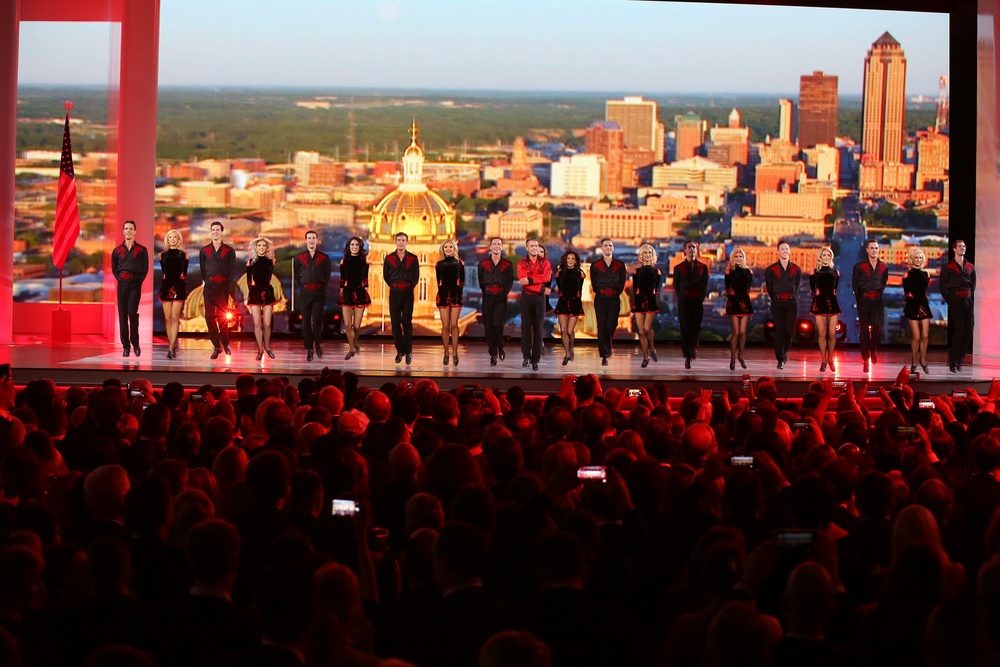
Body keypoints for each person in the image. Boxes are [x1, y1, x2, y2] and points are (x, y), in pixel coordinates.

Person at [199, 221, 237, 360]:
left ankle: (225, 342)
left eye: (217, 229)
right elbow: (202, 269)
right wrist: (207, 281)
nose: (215, 232)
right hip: (209, 287)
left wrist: (226, 283)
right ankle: (216, 345)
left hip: (222, 287)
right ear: (211, 232)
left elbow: (232, 270)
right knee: (209, 317)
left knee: (223, 317)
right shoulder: (204, 250)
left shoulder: (229, 250)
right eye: (213, 229)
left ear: (222, 231)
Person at [293, 230, 332, 363]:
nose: (311, 240)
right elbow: (297, 276)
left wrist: (321, 287)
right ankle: (309, 348)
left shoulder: (324, 258)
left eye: (313, 238)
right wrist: (304, 286)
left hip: (319, 292)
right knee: (305, 322)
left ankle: (318, 344)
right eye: (309, 238)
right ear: (305, 240)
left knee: (316, 320)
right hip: (305, 293)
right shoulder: (298, 258)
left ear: (317, 240)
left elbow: (327, 276)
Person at [112, 220, 148, 358]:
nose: (128, 230)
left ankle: (136, 343)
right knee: (122, 316)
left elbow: (145, 268)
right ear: (123, 231)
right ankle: (125, 346)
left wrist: (138, 282)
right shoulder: (117, 251)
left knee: (132, 314)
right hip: (122, 285)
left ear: (135, 231)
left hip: (135, 285)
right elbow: (115, 269)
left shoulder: (142, 250)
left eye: (130, 228)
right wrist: (121, 279)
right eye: (126, 228)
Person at [764, 240, 802, 370]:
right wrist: (776, 299)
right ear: (778, 252)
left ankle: (784, 351)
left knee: (789, 331)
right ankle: (780, 359)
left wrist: (791, 297)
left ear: (790, 251)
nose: (785, 251)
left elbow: (797, 286)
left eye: (787, 249)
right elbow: (769, 288)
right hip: (777, 303)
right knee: (779, 331)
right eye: (782, 249)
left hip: (791, 303)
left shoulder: (797, 269)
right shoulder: (771, 269)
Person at [852, 238, 889, 373]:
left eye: (876, 248)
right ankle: (865, 358)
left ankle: (873, 349)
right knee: (863, 329)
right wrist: (860, 298)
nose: (874, 250)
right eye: (872, 248)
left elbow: (884, 283)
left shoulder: (884, 267)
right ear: (867, 250)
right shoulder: (859, 266)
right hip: (863, 300)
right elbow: (855, 284)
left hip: (877, 301)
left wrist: (877, 294)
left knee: (875, 327)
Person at [940, 238, 976, 373]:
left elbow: (973, 285)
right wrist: (950, 300)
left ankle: (960, 355)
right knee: (960, 329)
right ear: (954, 249)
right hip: (955, 301)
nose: (963, 248)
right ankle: (953, 361)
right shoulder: (948, 267)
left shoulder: (970, 267)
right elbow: (943, 286)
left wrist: (968, 296)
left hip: (967, 301)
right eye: (960, 246)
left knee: (969, 329)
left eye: (964, 246)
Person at [383, 231, 419, 365]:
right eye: (399, 240)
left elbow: (416, 276)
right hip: (394, 293)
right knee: (395, 323)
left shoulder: (413, 259)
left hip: (408, 293)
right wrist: (394, 286)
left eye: (403, 240)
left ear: (406, 242)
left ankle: (409, 352)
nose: (401, 242)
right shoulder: (389, 258)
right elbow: (386, 276)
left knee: (407, 323)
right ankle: (400, 351)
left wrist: (409, 287)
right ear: (395, 242)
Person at [590, 238, 627, 366]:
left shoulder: (620, 265)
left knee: (611, 325)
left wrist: (614, 292)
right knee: (602, 326)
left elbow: (622, 283)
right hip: (600, 299)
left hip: (614, 299)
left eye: (610, 245)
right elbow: (594, 284)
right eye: (605, 245)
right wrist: (602, 292)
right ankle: (604, 355)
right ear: (601, 248)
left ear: (613, 248)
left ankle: (607, 346)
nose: (608, 247)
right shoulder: (595, 265)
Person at [673, 239, 709, 369]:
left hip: (697, 300)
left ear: (697, 249)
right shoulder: (678, 268)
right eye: (689, 247)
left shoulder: (703, 268)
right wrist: (682, 297)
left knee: (695, 326)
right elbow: (676, 286)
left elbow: (704, 285)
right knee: (685, 326)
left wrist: (700, 298)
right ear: (685, 250)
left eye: (694, 247)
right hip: (684, 300)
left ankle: (693, 347)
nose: (692, 249)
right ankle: (687, 354)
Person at [478, 237, 513, 367]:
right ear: (490, 247)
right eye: (494, 244)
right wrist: (488, 292)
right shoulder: (482, 264)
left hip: (501, 298)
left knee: (498, 324)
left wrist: (503, 293)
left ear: (502, 247)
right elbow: (481, 282)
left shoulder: (508, 264)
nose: (497, 246)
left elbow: (509, 282)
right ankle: (493, 354)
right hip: (487, 297)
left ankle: (501, 346)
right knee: (488, 326)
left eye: (499, 244)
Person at [518, 238, 552, 371]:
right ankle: (526, 357)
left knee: (538, 329)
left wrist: (530, 280)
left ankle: (536, 359)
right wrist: (542, 288)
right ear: (526, 248)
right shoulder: (521, 263)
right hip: (527, 298)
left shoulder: (545, 262)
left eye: (536, 246)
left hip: (539, 300)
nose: (534, 248)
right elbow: (523, 282)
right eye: (531, 246)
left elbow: (546, 278)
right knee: (526, 328)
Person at [336, 236, 369, 362]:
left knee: (356, 326)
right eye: (352, 245)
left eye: (356, 245)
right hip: (347, 293)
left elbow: (365, 281)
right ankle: (351, 348)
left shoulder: (364, 262)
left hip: (360, 293)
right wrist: (341, 295)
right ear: (348, 247)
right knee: (348, 325)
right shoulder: (344, 261)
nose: (354, 247)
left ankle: (355, 343)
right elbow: (342, 280)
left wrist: (366, 295)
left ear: (360, 247)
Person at [809, 246, 841, 373]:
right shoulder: (814, 272)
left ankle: (831, 359)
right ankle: (823, 360)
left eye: (828, 255)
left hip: (832, 303)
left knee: (832, 334)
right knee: (822, 333)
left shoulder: (835, 272)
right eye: (824, 255)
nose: (826, 257)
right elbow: (812, 290)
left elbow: (835, 289)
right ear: (820, 257)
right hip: (819, 302)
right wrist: (816, 300)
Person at [158, 229, 188, 360]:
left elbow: (184, 273)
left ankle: (171, 348)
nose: (172, 239)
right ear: (167, 239)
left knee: (175, 317)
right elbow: (164, 272)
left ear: (178, 239)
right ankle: (171, 346)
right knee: (168, 318)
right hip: (166, 286)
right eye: (170, 237)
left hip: (178, 287)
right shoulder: (162, 255)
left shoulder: (183, 255)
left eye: (175, 237)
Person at [246, 237, 277, 361]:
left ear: (267, 247)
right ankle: (260, 350)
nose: (261, 247)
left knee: (267, 324)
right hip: (255, 292)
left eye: (264, 245)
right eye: (259, 245)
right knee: (257, 324)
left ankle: (268, 346)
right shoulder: (250, 261)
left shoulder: (271, 261)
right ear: (256, 247)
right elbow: (249, 279)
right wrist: (252, 292)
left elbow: (268, 276)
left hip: (268, 291)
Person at [631, 244, 661, 369]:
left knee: (647, 328)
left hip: (651, 301)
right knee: (641, 331)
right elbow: (634, 288)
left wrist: (655, 299)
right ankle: (645, 357)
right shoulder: (636, 271)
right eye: (645, 253)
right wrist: (635, 300)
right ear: (641, 256)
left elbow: (657, 288)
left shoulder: (656, 272)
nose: (647, 255)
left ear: (652, 255)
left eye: (649, 252)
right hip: (639, 301)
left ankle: (652, 348)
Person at [436, 239, 464, 366]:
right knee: (445, 325)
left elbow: (462, 281)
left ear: (454, 249)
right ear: (443, 249)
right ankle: (446, 353)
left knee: (454, 325)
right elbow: (438, 281)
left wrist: (457, 292)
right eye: (446, 247)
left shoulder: (459, 263)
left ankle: (455, 353)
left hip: (456, 295)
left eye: (450, 247)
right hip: (443, 295)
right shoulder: (439, 264)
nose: (448, 249)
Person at [554, 250, 585, 366]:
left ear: (576, 261)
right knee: (563, 330)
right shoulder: (560, 273)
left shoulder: (580, 274)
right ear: (565, 260)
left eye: (572, 259)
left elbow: (580, 290)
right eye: (568, 258)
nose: (570, 261)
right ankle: (567, 354)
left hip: (575, 303)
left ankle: (570, 348)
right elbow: (559, 288)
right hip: (562, 302)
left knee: (570, 331)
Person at [904, 247, 932, 374]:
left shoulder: (927, 274)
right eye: (916, 257)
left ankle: (923, 360)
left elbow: (925, 290)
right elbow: (907, 293)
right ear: (912, 259)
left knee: (925, 335)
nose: (919, 259)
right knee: (916, 336)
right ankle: (914, 361)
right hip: (912, 306)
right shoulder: (907, 275)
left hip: (924, 305)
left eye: (921, 257)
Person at [724, 247, 753, 371]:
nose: (739, 259)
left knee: (743, 331)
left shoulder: (748, 272)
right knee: (735, 332)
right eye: (736, 257)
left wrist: (744, 299)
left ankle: (741, 355)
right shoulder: (729, 271)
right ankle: (732, 359)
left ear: (744, 258)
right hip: (733, 301)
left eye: (741, 256)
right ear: (733, 258)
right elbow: (728, 289)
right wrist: (732, 300)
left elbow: (748, 288)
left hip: (745, 301)